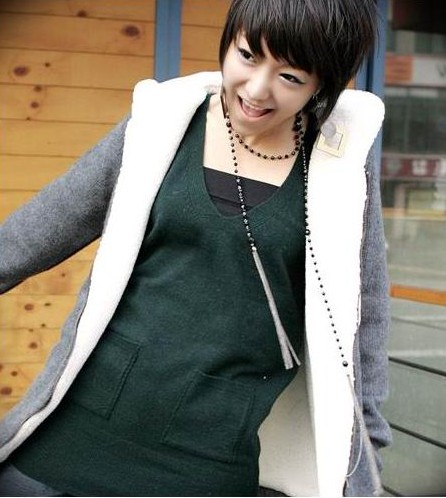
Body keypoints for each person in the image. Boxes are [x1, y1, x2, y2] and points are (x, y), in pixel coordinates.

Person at [0, 0, 391, 496]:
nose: (256, 89)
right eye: (247, 56)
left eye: (290, 76)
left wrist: (364, 461)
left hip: (209, 457)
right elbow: (35, 232)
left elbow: (364, 322)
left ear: (321, 86)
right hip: (74, 432)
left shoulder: (339, 172)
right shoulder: (161, 126)